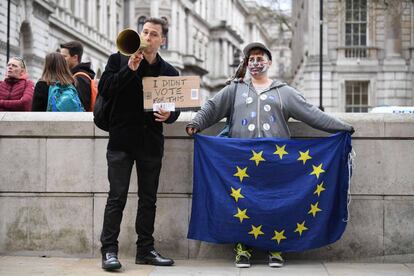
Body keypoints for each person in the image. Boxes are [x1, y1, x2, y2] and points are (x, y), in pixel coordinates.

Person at [186, 42, 354, 268]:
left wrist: (342, 127)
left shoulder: (284, 92)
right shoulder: (235, 89)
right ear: (246, 64)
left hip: (276, 162)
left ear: (269, 62)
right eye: (251, 59)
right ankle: (242, 248)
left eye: (260, 58)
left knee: (276, 204)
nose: (255, 63)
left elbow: (312, 114)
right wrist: (196, 123)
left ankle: (276, 247)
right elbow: (212, 107)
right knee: (241, 205)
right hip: (241, 161)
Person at [98, 17, 180, 271]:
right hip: (121, 141)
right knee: (116, 197)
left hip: (150, 144)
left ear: (162, 40)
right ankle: (109, 250)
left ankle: (145, 249)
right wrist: (129, 69)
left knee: (148, 200)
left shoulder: (169, 72)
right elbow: (105, 89)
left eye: (153, 34)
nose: (147, 36)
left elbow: (175, 108)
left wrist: (170, 115)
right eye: (144, 31)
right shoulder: (118, 59)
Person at [60, 41, 96, 111]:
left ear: (75, 58)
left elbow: (82, 107)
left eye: (64, 57)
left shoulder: (80, 78)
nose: (61, 60)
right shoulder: (76, 76)